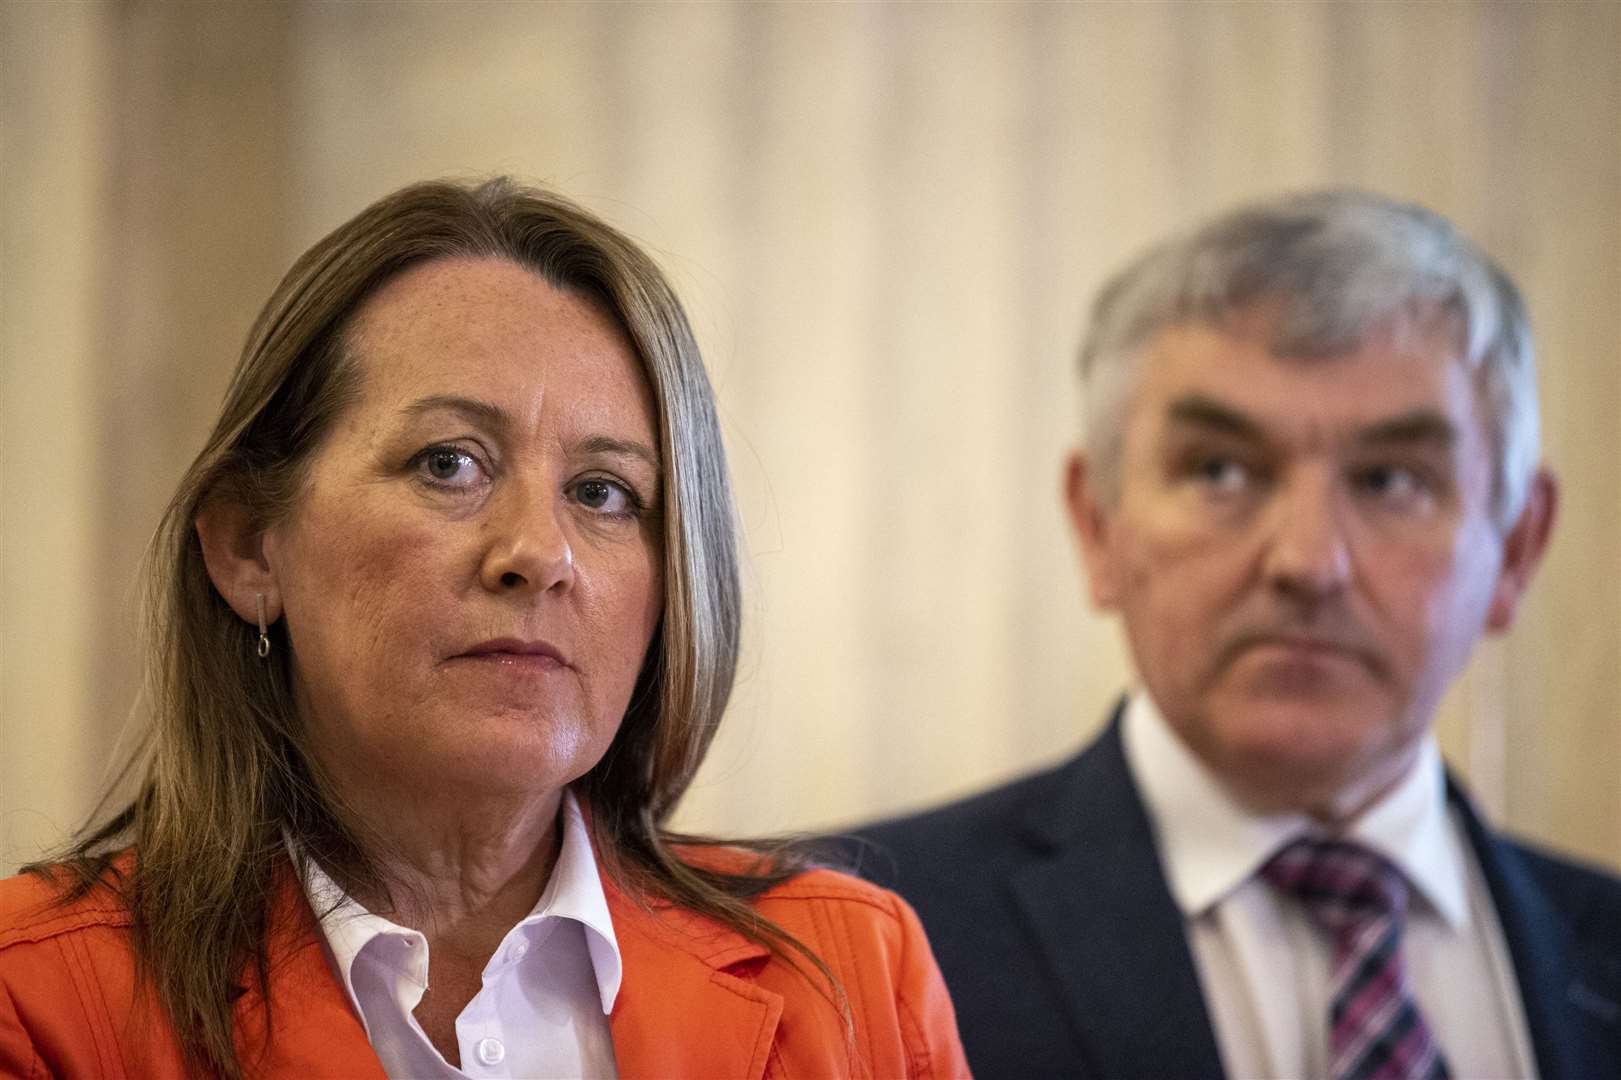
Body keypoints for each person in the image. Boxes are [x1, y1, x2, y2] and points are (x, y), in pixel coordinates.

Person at [0, 178, 968, 1079]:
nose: (540, 553)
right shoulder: (35, 1001)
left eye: (603, 492)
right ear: (251, 549)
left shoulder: (853, 977)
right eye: (448, 465)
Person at [853, 190, 1621, 1079]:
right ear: (1096, 524)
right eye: (1219, 471)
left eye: (1391, 482)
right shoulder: (840, 938)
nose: (1306, 561)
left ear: (1516, 550)